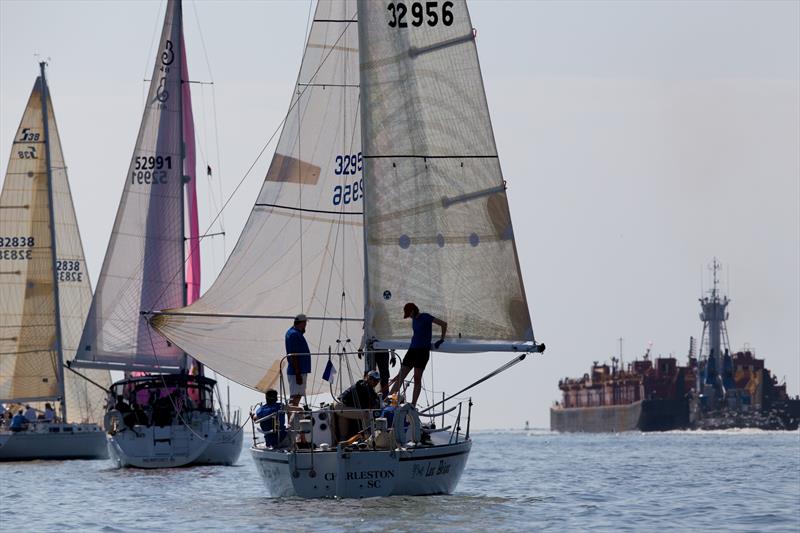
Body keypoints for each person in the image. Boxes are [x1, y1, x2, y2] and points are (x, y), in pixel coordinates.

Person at [389, 302, 447, 407]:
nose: (409, 317)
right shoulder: (414, 320)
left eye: (409, 314)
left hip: (422, 351)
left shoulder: (426, 317)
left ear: (413, 310)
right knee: (400, 376)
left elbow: (444, 324)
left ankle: (413, 405)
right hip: (412, 350)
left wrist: (441, 339)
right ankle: (388, 400)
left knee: (417, 378)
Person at [285, 314, 311, 407]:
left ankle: (291, 417)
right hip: (297, 371)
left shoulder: (291, 332)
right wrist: (298, 374)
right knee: (295, 397)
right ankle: (291, 418)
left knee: (296, 396)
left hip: (297, 370)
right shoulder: (295, 334)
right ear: (302, 323)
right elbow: (294, 355)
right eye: (304, 323)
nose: (305, 326)